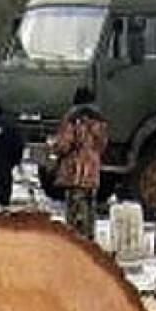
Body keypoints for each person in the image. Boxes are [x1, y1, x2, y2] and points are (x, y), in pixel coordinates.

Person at [52, 87, 108, 240]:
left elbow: (64, 145)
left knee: (75, 213)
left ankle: (76, 246)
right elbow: (103, 144)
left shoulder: (73, 119)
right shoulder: (100, 121)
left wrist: (54, 147)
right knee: (90, 210)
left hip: (74, 172)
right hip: (92, 172)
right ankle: (90, 241)